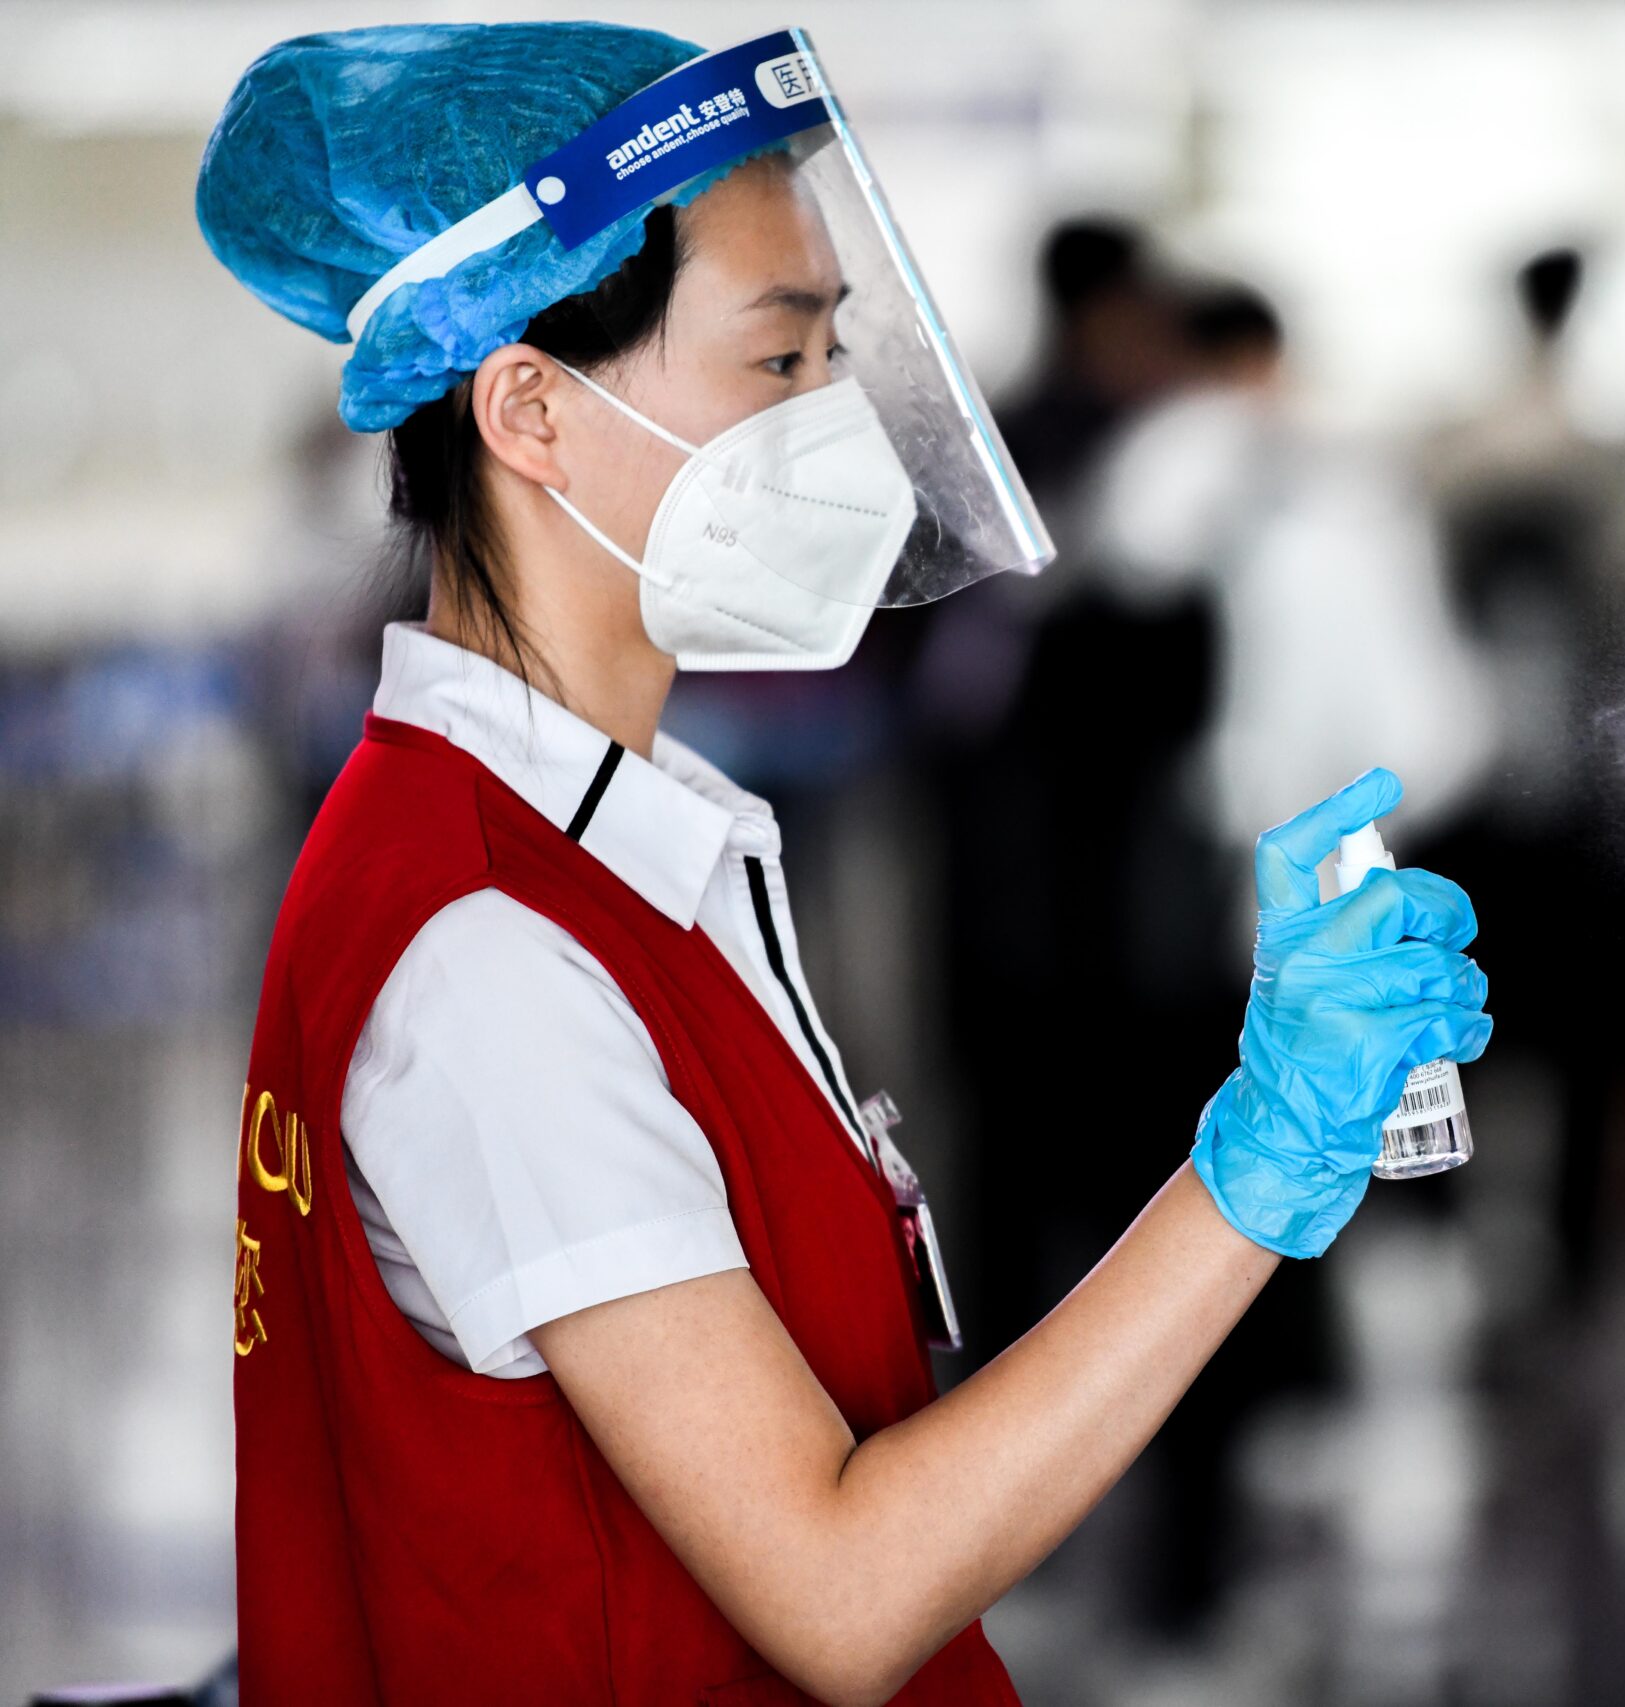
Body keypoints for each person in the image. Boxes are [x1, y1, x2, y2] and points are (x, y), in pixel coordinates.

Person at [198, 23, 1491, 1706]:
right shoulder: (492, 950)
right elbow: (840, 1590)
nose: (837, 430)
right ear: (529, 410)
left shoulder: (599, 839)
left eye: (836, 356)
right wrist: (1249, 1171)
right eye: (778, 363)